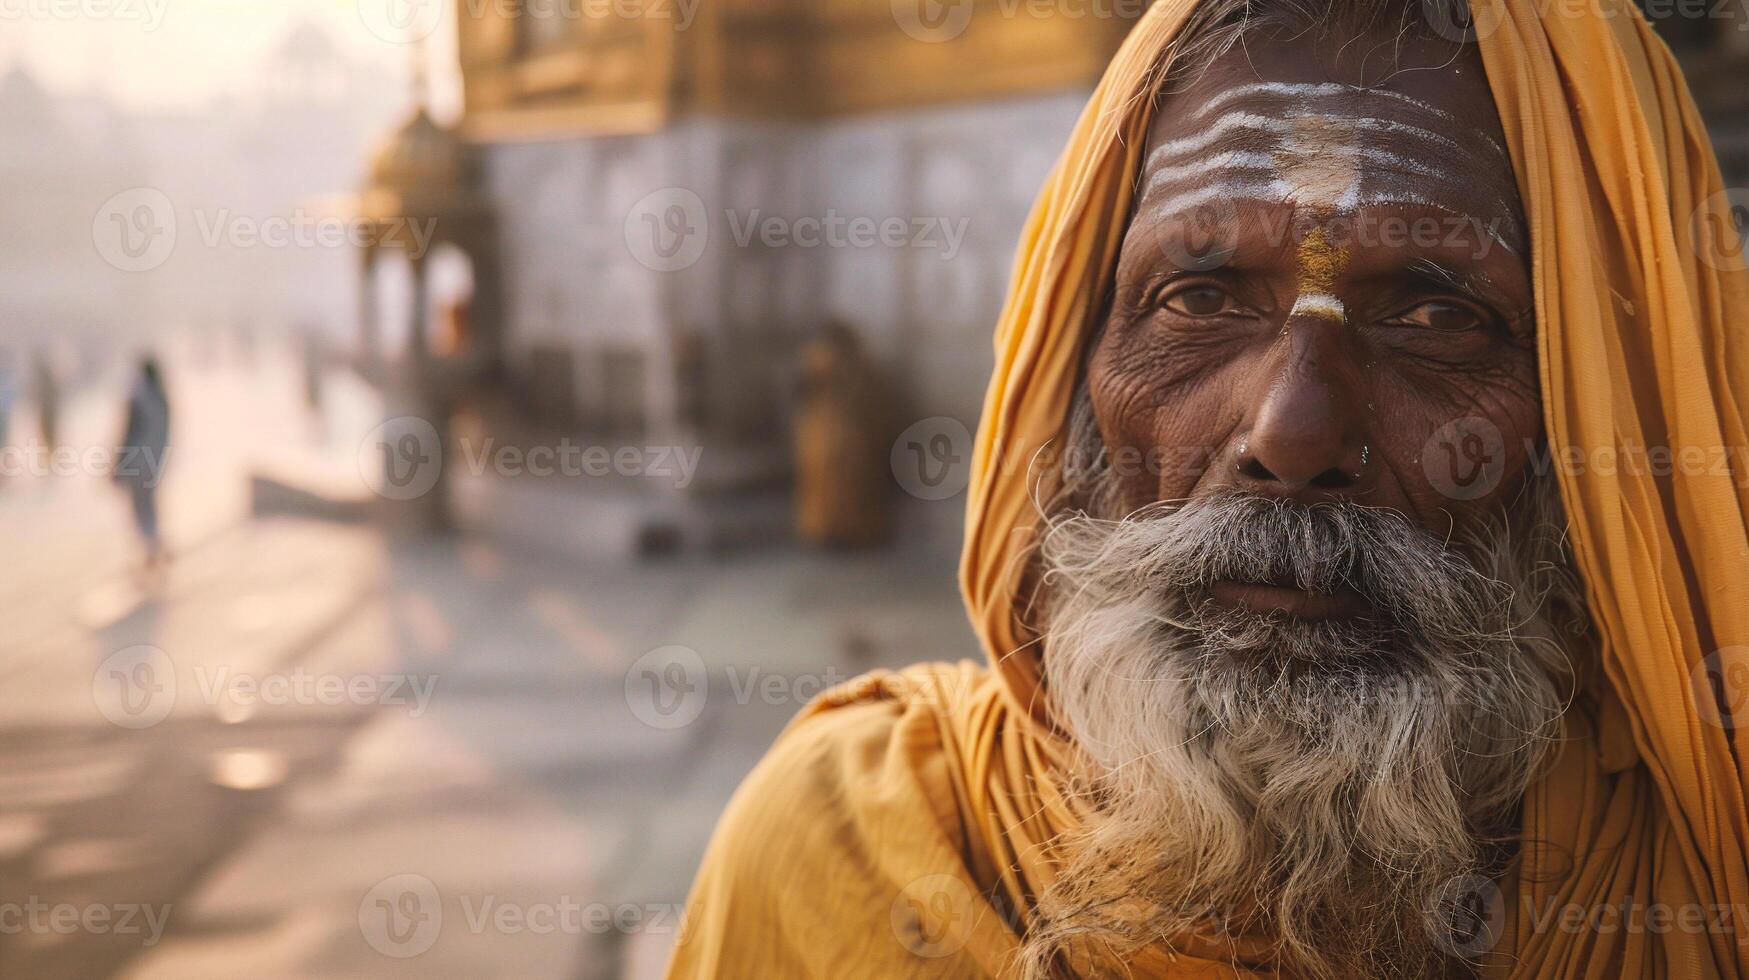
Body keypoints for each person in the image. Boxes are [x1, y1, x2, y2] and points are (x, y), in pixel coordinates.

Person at [669, 1, 1749, 977]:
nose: (1292, 432)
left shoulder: (1702, 875)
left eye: (1434, 315)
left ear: (1604, 415)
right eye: (1197, 297)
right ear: (1072, 386)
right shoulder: (852, 845)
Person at [792, 323, 893, 549]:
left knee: (843, 486)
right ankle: (830, 530)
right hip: (828, 432)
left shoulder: (829, 359)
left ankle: (840, 530)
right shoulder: (825, 359)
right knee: (829, 486)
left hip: (837, 433)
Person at [116, 355, 171, 574]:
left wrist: (118, 463)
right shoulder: (163, 400)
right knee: (150, 507)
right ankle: (155, 545)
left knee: (139, 509)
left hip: (136, 462)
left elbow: (128, 434)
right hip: (155, 461)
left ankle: (151, 548)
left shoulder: (138, 400)